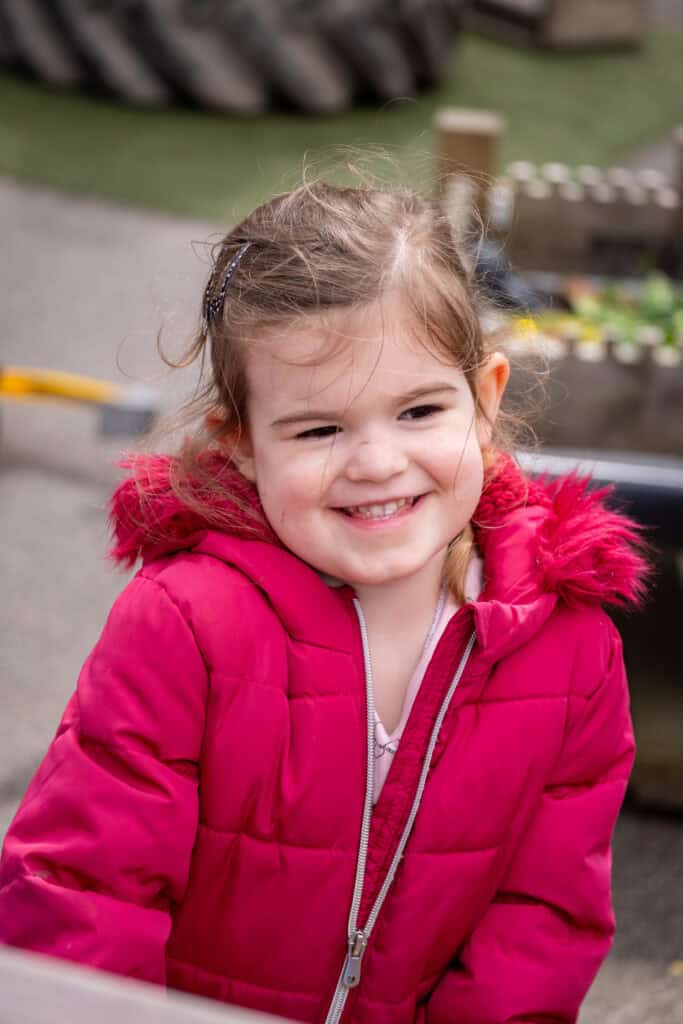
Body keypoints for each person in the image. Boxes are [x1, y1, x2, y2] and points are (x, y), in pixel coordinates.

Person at [0, 181, 650, 1024]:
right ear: (240, 443)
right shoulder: (185, 622)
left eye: (418, 410)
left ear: (485, 400)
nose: (377, 462)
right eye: (319, 429)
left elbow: (542, 923)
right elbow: (87, 889)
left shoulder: (568, 646)